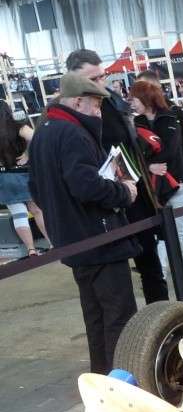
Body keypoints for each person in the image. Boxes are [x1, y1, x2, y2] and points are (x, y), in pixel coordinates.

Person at [28, 73, 139, 374]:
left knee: (96, 318)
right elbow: (86, 185)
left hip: (74, 240)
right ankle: (121, 381)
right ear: (77, 101)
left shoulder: (43, 132)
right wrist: (124, 192)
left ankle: (103, 375)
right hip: (99, 238)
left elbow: (36, 189)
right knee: (118, 315)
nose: (99, 113)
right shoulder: (73, 133)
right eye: (96, 106)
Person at [64, 49, 169, 302]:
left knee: (150, 265)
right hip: (99, 204)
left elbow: (128, 142)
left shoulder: (111, 100)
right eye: (93, 79)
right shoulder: (68, 112)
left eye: (103, 76)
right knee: (112, 285)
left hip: (134, 194)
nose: (101, 83)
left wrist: (143, 171)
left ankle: (163, 322)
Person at [129, 79, 183, 282]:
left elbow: (171, 150)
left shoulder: (170, 118)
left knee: (181, 227)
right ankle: (160, 273)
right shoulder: (137, 122)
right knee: (159, 232)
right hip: (152, 187)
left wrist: (152, 164)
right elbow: (135, 154)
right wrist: (149, 167)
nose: (132, 103)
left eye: (134, 99)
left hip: (176, 183)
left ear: (145, 98)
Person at [0, 102, 49, 258]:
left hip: (4, 178)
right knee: (38, 210)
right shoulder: (17, 126)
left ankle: (31, 250)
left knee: (19, 215)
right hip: (23, 174)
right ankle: (53, 243)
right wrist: (28, 154)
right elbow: (39, 138)